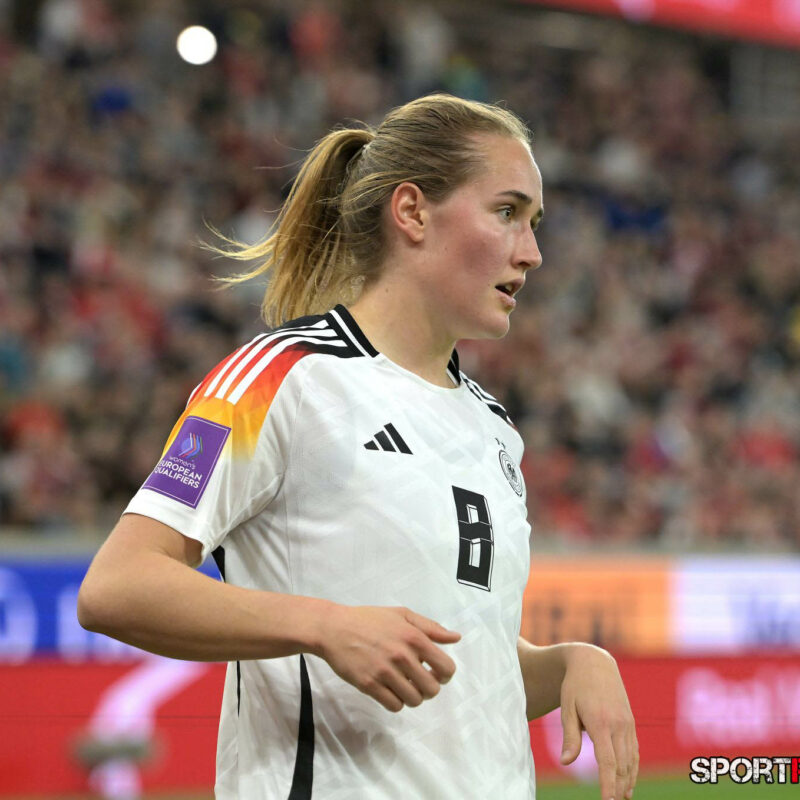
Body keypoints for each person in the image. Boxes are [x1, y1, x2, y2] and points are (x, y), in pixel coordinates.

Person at [78, 94, 638, 800]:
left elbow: (460, 672)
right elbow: (117, 587)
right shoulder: (279, 379)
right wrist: (322, 626)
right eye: (507, 212)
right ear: (412, 213)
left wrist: (568, 665)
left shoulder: (493, 427)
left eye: (534, 222)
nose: (531, 251)